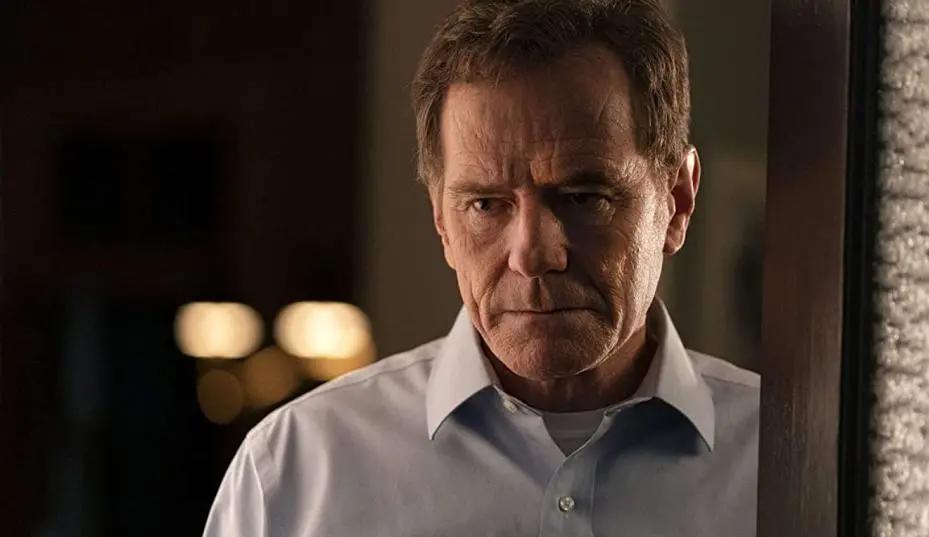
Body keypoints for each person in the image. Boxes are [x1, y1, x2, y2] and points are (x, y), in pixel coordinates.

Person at [203, 0, 758, 534]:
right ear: (441, 222)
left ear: (677, 201)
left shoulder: (784, 462)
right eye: (486, 205)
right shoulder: (293, 472)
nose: (532, 254)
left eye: (584, 198)